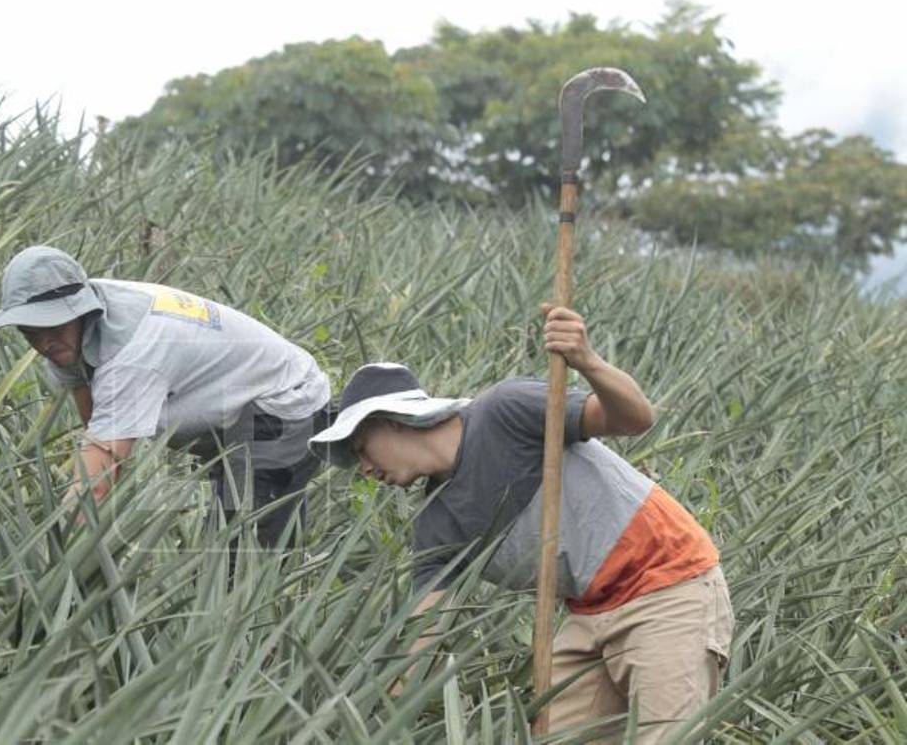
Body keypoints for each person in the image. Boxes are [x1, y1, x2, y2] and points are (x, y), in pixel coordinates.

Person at [308, 304, 733, 742]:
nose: (363, 469)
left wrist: (586, 359)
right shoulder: (437, 524)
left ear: (393, 422)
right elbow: (422, 634)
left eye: (361, 449)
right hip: (591, 610)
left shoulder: (505, 411)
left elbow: (634, 419)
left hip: (667, 584)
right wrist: (378, 720)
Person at [0, 245, 332, 548]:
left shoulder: (131, 355)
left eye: (52, 328)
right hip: (236, 406)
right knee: (242, 530)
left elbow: (96, 484)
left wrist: (55, 554)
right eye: (30, 333)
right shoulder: (69, 338)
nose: (43, 344)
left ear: (81, 310)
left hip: (285, 403)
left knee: (234, 549)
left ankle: (269, 608)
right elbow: (98, 429)